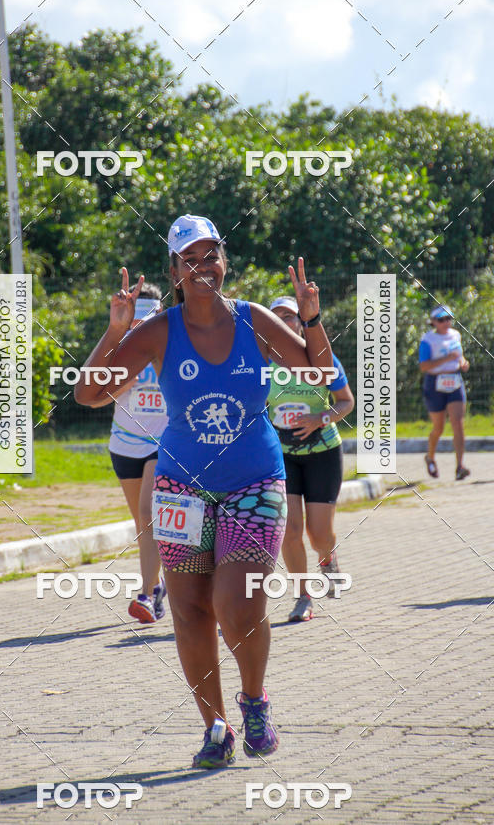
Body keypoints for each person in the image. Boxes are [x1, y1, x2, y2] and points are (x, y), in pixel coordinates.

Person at [74, 213, 333, 768]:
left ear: (224, 261)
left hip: (254, 483)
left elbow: (321, 373)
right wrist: (116, 328)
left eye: (210, 255)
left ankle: (254, 700)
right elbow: (89, 395)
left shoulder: (255, 320)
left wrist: (311, 320)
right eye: (188, 259)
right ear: (174, 271)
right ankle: (215, 729)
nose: (202, 267)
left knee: (237, 603)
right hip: (179, 489)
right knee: (191, 613)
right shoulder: (159, 330)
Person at [265, 297, 355, 622]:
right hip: (283, 456)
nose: (282, 322)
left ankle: (327, 557)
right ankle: (303, 597)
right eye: (275, 317)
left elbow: (346, 402)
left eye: (288, 316)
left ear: (301, 322)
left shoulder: (320, 360)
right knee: (289, 530)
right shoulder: (262, 364)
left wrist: (321, 418)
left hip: (323, 454)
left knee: (319, 535)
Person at [105, 284, 169, 623]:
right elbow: (96, 390)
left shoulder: (173, 346)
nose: (141, 326)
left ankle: (145, 594)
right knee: (143, 523)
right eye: (136, 320)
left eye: (148, 319)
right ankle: (157, 586)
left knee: (148, 514)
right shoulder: (117, 349)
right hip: (124, 444)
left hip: (162, 443)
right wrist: (121, 384)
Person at [419, 304, 470, 480]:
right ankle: (430, 457)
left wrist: (463, 362)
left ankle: (460, 466)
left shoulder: (456, 334)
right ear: (433, 322)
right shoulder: (427, 340)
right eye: (441, 319)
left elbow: (459, 355)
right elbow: (424, 366)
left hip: (454, 381)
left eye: (448, 318)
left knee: (457, 422)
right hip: (435, 383)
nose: (446, 322)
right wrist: (446, 359)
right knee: (438, 428)